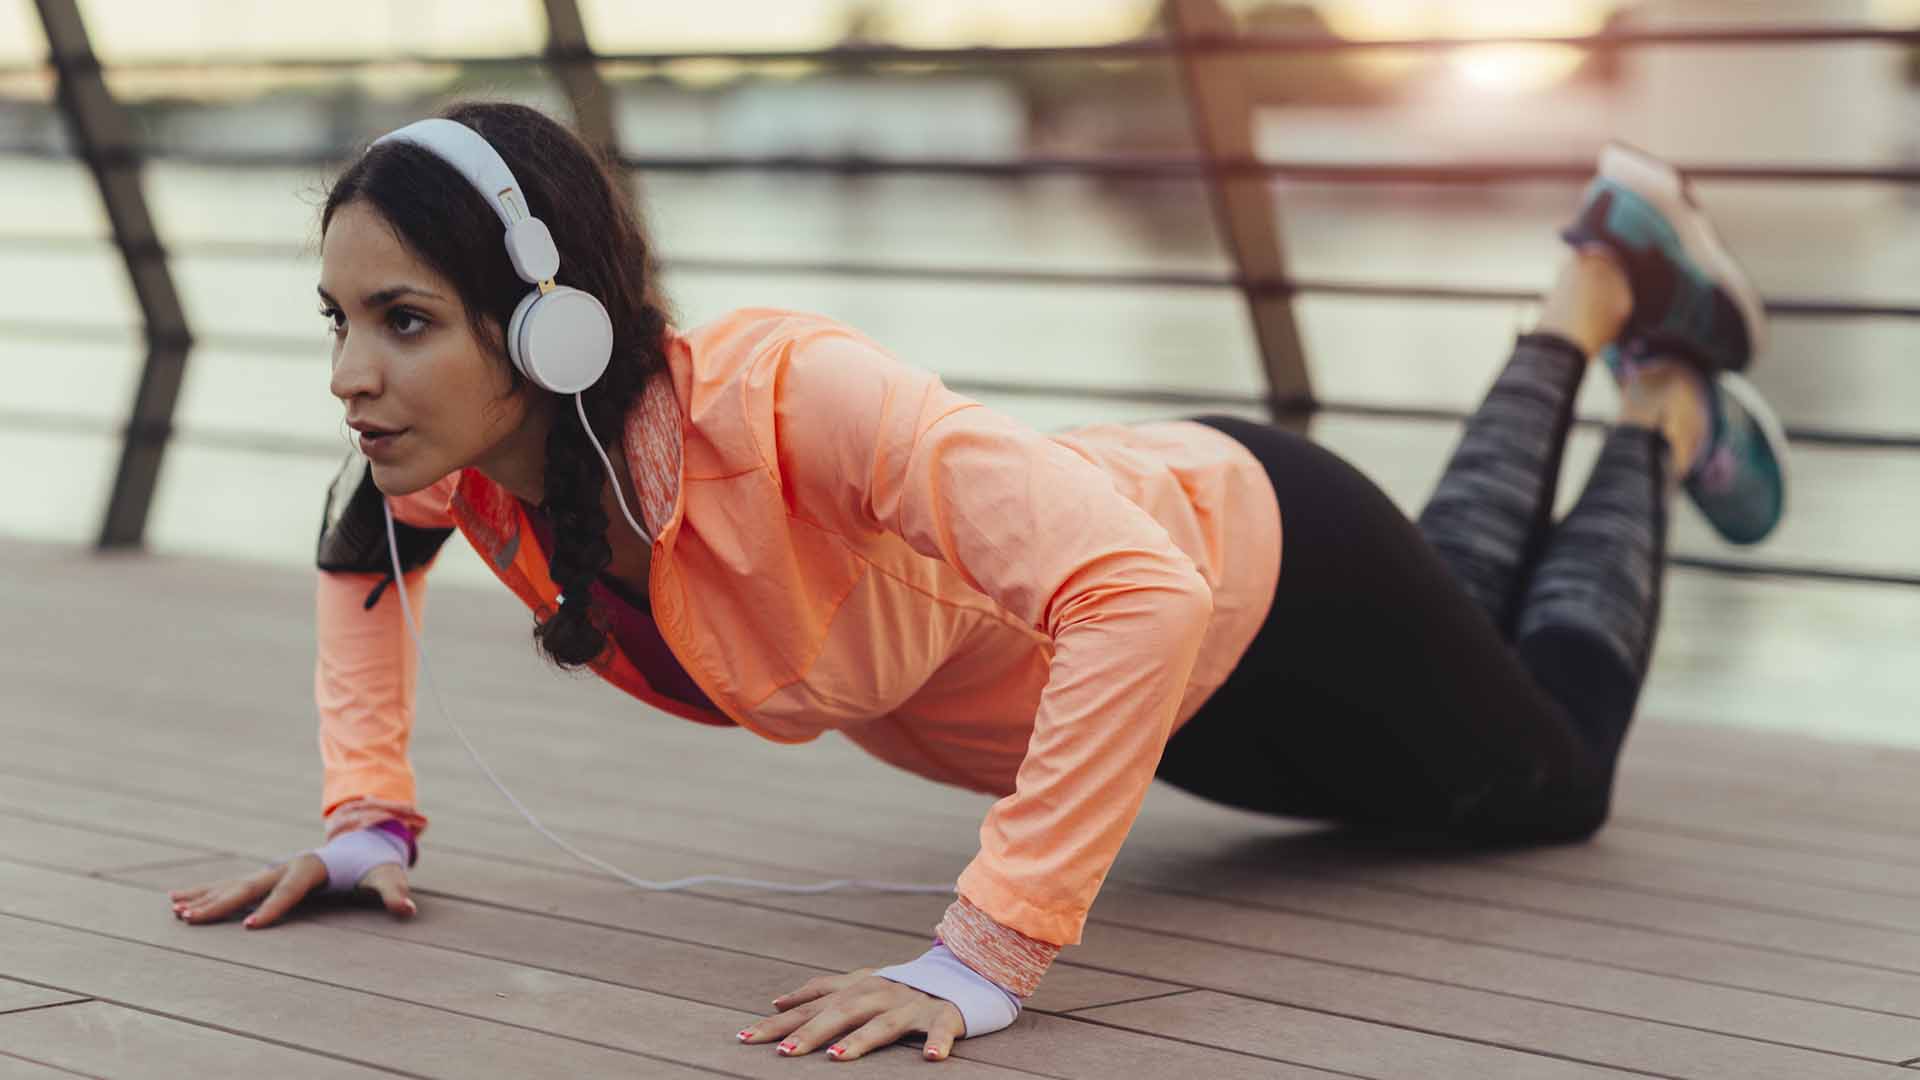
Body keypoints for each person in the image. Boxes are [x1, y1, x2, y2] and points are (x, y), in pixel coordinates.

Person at [165, 102, 1787, 1064]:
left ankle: (1641, 380)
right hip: (1145, 687)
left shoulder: (790, 400)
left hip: (1256, 573)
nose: (354, 379)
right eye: (340, 320)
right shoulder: (467, 474)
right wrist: (365, 819)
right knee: (1472, 629)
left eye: (405, 321)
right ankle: (1594, 287)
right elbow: (356, 552)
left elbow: (1139, 597)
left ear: (548, 325)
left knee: (1552, 779)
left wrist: (982, 952)